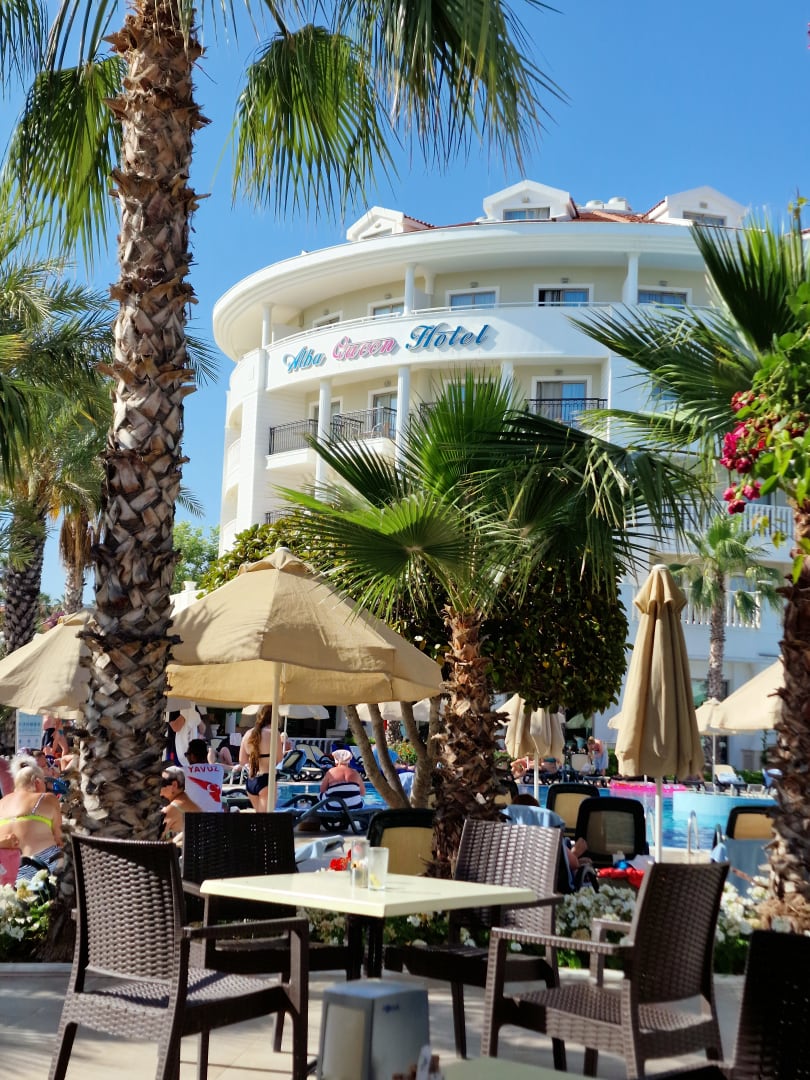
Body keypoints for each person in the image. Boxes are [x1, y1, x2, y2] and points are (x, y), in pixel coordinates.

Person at [0, 760, 64, 884]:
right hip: (39, 867)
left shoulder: (1, 803)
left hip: (7, 873)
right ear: (37, 782)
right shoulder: (46, 798)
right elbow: (59, 838)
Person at [239, 705, 285, 812]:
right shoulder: (274, 733)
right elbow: (279, 759)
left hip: (251, 780)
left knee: (259, 817)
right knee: (265, 818)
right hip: (267, 780)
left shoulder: (248, 734)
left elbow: (242, 761)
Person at [160, 765, 201, 845]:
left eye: (161, 783)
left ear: (174, 785)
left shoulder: (172, 809)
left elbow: (154, 840)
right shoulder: (188, 802)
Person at [184, 738, 224, 812]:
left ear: (192, 756)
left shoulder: (184, 771)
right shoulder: (219, 769)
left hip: (192, 816)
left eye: (186, 754)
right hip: (216, 816)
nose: (186, 757)